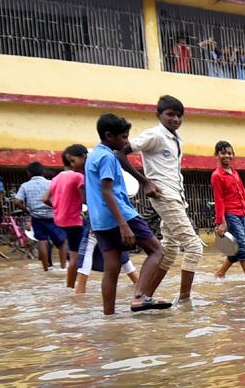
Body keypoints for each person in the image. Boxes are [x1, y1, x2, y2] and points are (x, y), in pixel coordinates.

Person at [85, 113, 170, 314]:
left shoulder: (92, 157)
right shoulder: (108, 157)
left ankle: (109, 316)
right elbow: (107, 191)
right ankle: (140, 297)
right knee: (157, 251)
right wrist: (123, 225)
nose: (126, 142)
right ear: (109, 135)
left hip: (99, 221)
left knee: (111, 269)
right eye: (123, 137)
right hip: (120, 215)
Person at [125, 95, 203, 303]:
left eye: (179, 115)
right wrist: (144, 182)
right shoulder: (154, 135)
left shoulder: (176, 139)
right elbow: (121, 152)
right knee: (194, 247)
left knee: (170, 249)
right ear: (158, 115)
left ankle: (144, 297)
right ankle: (184, 300)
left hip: (176, 196)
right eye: (170, 115)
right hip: (163, 195)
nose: (176, 119)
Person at [212, 141, 245, 280]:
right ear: (216, 155)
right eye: (223, 153)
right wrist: (221, 222)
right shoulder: (217, 175)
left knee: (237, 248)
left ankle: (220, 273)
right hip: (230, 215)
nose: (226, 156)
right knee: (244, 248)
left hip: (241, 214)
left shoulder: (234, 173)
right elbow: (219, 200)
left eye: (229, 153)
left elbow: (244, 195)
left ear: (233, 155)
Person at [46, 144, 88, 289]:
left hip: (60, 219)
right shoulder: (78, 176)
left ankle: (73, 286)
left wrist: (59, 207)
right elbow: (84, 200)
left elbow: (45, 198)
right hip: (74, 220)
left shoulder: (56, 178)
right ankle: (71, 287)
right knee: (76, 255)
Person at [15, 161, 65, 272]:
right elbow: (60, 198)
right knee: (62, 241)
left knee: (42, 241)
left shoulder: (25, 186)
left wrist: (27, 211)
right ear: (43, 172)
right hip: (53, 215)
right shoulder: (51, 183)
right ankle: (63, 266)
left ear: (28, 173)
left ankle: (46, 268)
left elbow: (17, 201)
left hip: (36, 216)